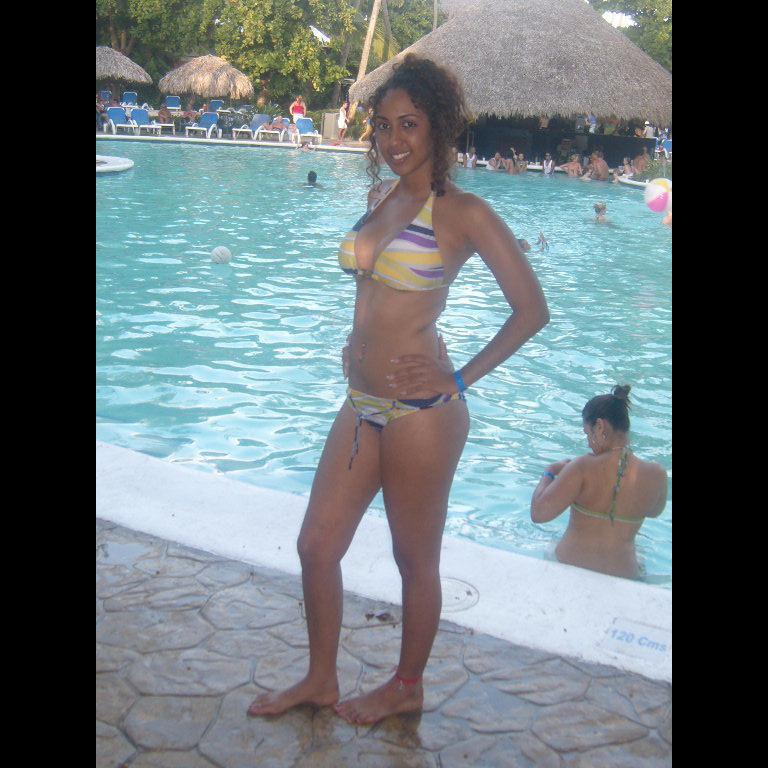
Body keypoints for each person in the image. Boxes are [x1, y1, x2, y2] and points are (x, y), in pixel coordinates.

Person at [247, 53, 549, 725]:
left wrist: (456, 377)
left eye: (408, 124)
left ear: (439, 125)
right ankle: (321, 678)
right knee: (316, 546)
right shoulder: (380, 198)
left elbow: (532, 311)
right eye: (383, 126)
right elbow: (373, 289)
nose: (393, 140)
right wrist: (356, 341)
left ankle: (407, 685)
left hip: (422, 412)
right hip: (361, 403)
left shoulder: (464, 213)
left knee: (414, 560)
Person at [530, 385, 667, 580]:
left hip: (570, 569)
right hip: (626, 577)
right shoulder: (657, 474)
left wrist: (550, 472)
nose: (588, 442)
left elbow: (539, 513)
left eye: (587, 433)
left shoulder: (582, 467)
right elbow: (654, 512)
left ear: (600, 426)